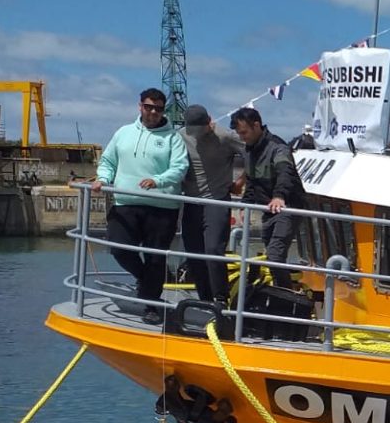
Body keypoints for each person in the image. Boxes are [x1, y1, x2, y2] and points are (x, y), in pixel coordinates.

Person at [92, 88, 189, 323]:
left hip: (162, 207)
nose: (153, 112)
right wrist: (103, 179)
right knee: (119, 248)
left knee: (155, 258)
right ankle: (146, 284)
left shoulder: (173, 138)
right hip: (126, 202)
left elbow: (180, 168)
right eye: (148, 107)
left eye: (158, 109)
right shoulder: (123, 133)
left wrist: (158, 180)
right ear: (140, 107)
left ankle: (151, 306)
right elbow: (108, 161)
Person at [230, 107, 304, 288]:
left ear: (256, 126)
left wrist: (279, 196)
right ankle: (278, 291)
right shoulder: (249, 150)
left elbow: (285, 173)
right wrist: (245, 204)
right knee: (270, 254)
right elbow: (252, 180)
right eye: (239, 134)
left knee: (274, 255)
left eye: (244, 133)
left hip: (287, 206)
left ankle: (286, 295)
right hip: (268, 209)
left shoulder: (278, 148)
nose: (242, 137)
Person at [179, 104, 244, 306]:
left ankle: (221, 298)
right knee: (193, 253)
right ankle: (205, 299)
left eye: (201, 129)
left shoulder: (225, 136)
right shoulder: (180, 136)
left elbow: (253, 154)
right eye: (193, 131)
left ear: (209, 122)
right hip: (191, 201)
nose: (196, 135)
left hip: (217, 199)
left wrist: (240, 182)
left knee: (213, 249)